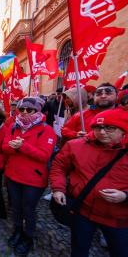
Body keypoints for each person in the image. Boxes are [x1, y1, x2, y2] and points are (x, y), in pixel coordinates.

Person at [50, 109, 128, 257]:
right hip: (82, 211)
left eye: (110, 128)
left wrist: (125, 196)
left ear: (123, 130)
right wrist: (58, 188)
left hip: (118, 218)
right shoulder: (76, 145)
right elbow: (59, 166)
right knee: (79, 249)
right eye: (98, 127)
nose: (103, 132)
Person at [2, 97, 57, 256]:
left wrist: (23, 147)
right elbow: (5, 147)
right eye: (22, 109)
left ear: (38, 111)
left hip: (34, 179)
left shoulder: (46, 130)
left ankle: (29, 236)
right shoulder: (13, 126)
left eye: (29, 110)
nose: (25, 112)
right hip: (13, 175)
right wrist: (16, 148)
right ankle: (18, 230)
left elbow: (44, 155)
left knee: (29, 208)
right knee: (16, 207)